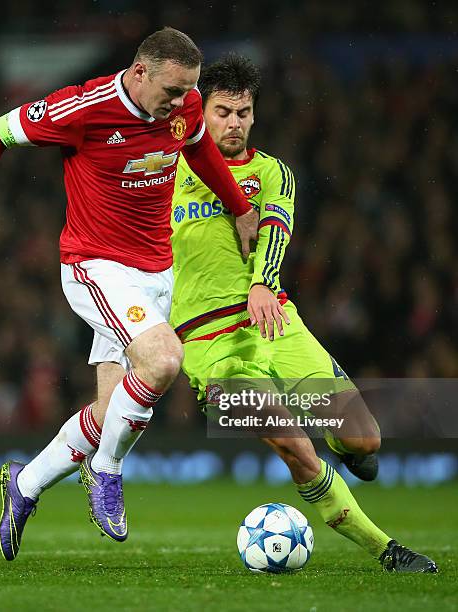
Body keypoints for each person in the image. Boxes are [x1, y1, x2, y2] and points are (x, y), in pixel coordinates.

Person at [0, 28, 259, 560]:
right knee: (164, 360)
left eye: (188, 91)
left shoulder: (187, 103)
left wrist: (239, 204)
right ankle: (106, 470)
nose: (182, 102)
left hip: (156, 272)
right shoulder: (84, 108)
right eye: (172, 91)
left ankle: (25, 485)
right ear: (140, 72)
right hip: (95, 265)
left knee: (111, 413)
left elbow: (197, 150)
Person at [165, 54, 437, 573]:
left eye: (244, 112)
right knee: (295, 446)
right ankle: (387, 551)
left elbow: (276, 225)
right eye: (223, 112)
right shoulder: (171, 170)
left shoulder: (272, 172)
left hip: (276, 324)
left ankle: (346, 445)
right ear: (202, 113)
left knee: (364, 439)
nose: (235, 123)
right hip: (209, 347)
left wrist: (263, 283)